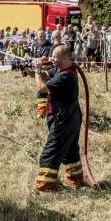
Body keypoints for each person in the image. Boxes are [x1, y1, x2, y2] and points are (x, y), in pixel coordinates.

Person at [33, 45, 85, 192]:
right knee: (69, 151)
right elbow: (45, 75)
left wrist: (37, 70)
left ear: (64, 58)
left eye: (54, 57)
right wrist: (32, 69)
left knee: (50, 152)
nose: (51, 59)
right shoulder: (60, 69)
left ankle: (45, 186)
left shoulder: (66, 77)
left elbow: (42, 88)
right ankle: (75, 180)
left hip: (64, 120)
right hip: (71, 117)